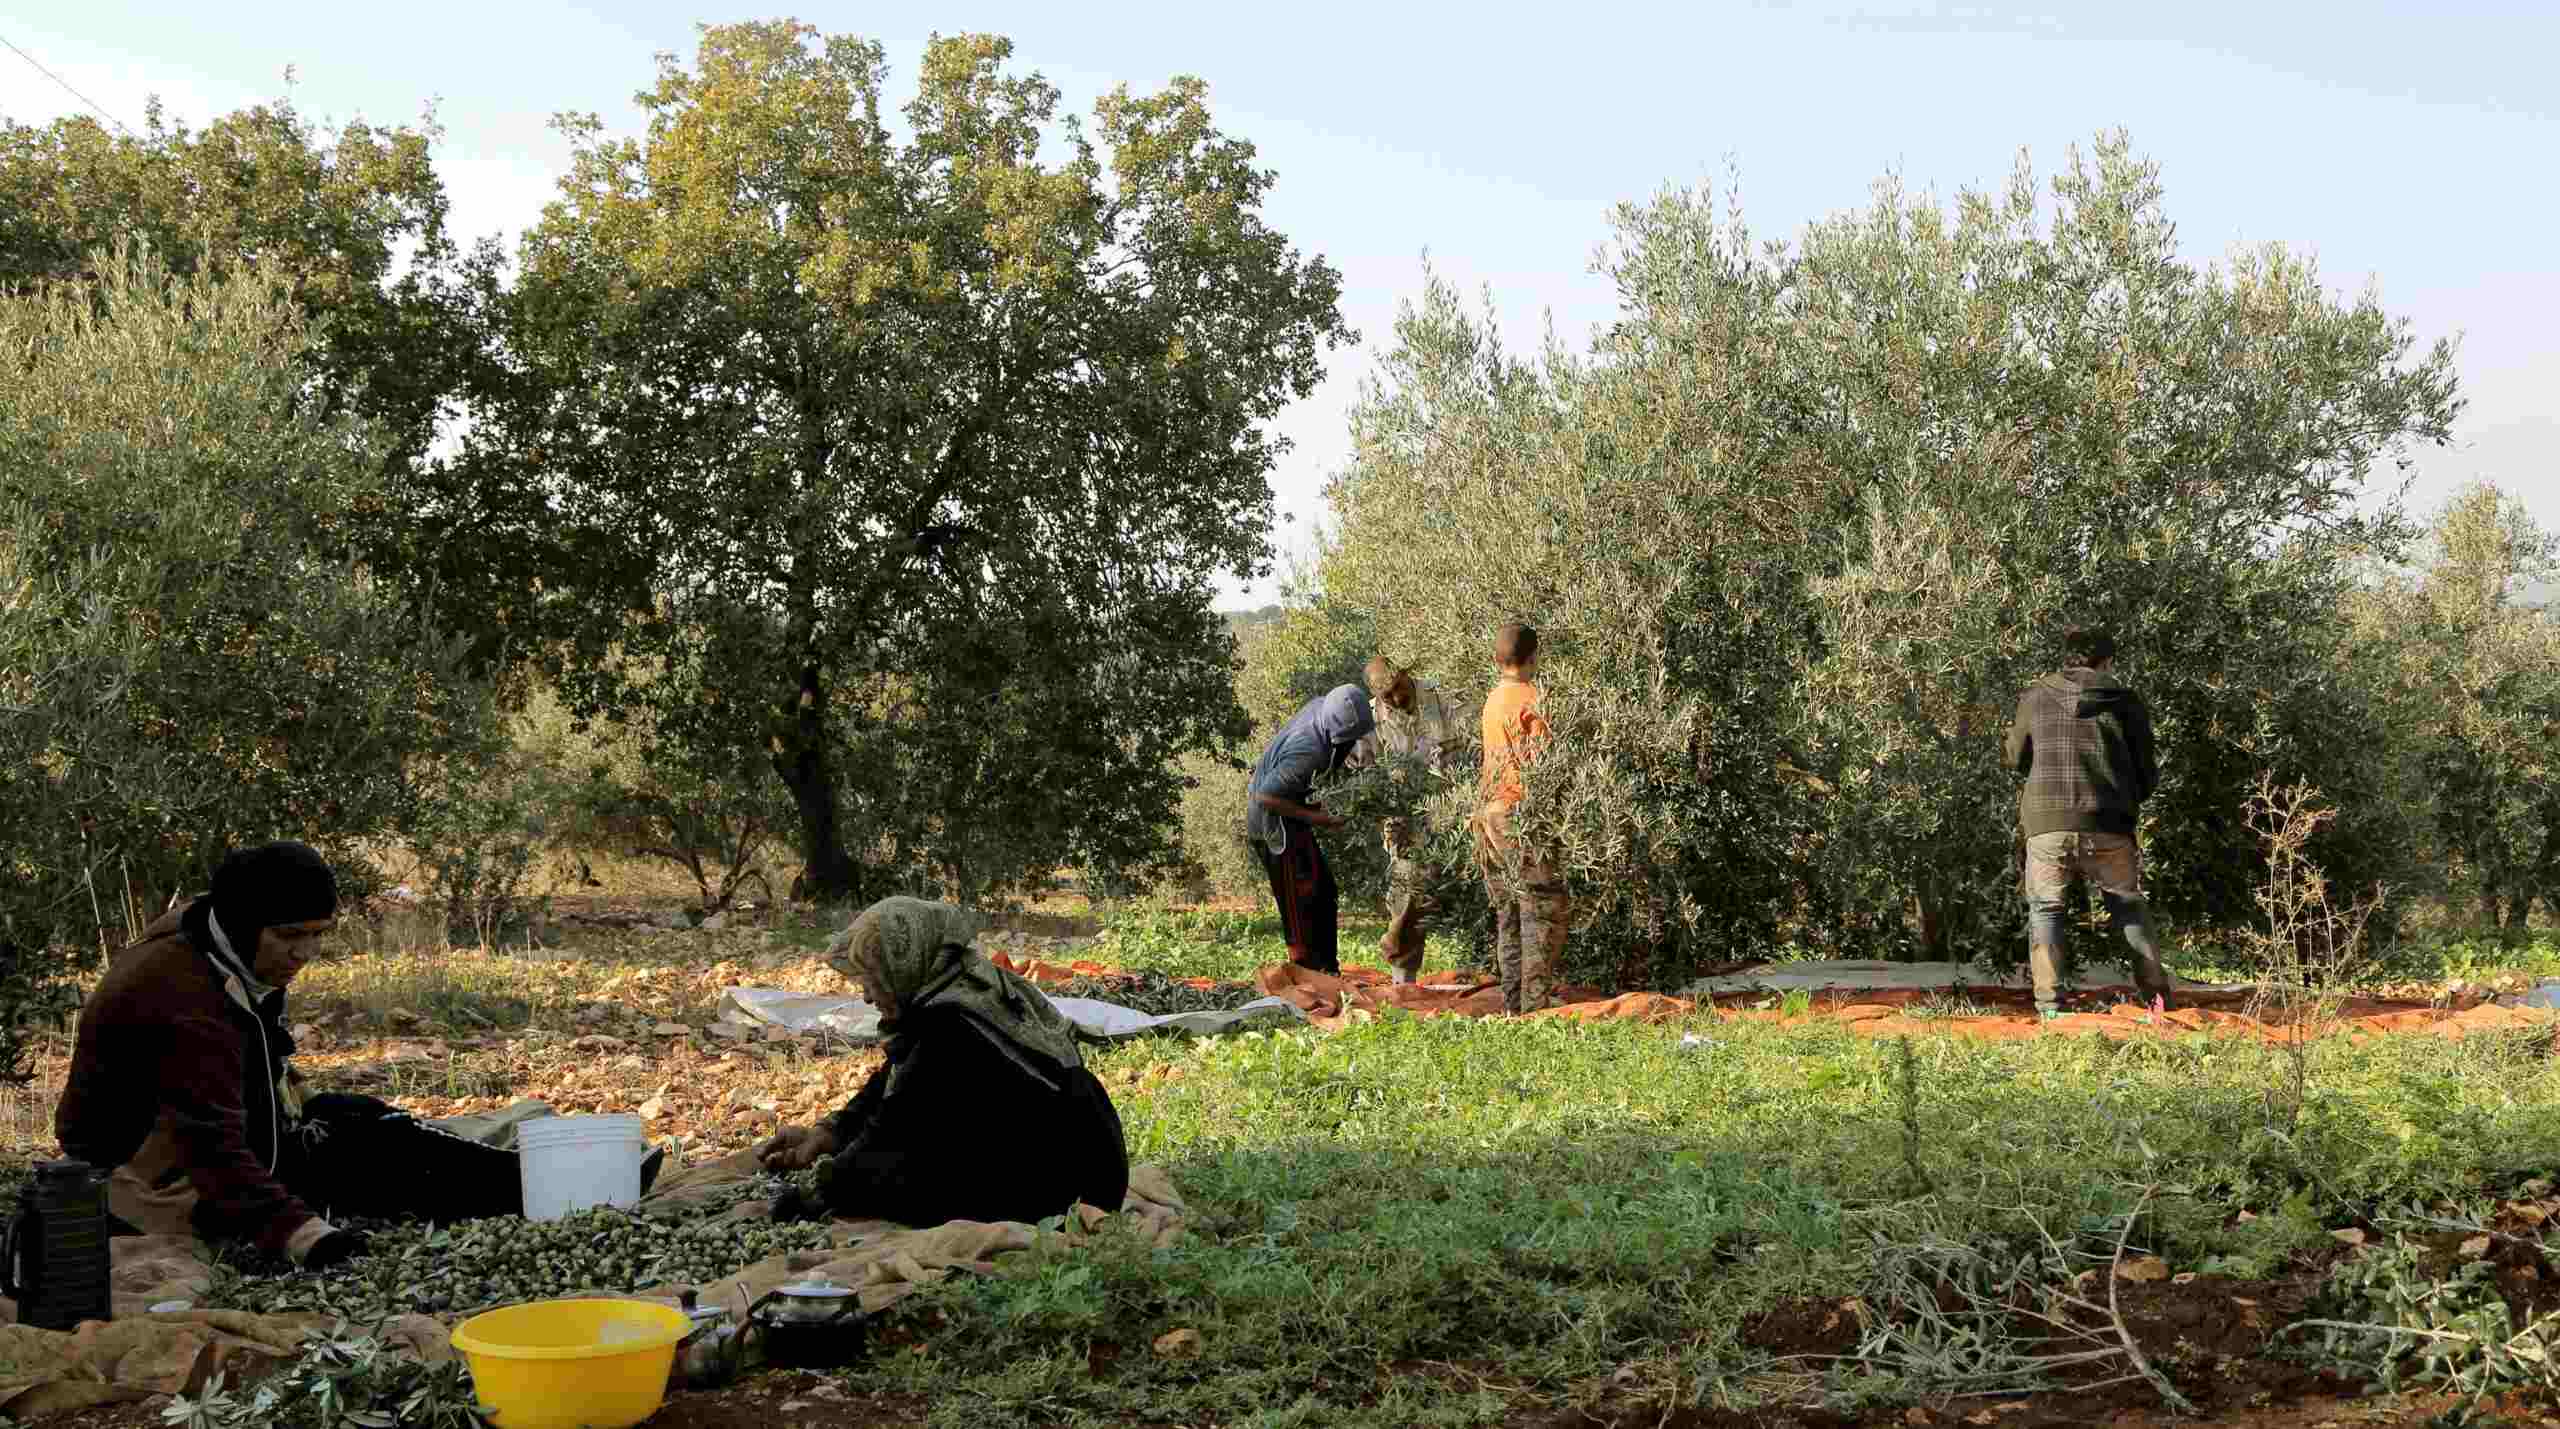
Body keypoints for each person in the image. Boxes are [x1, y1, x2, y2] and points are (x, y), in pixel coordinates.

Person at [52, 843, 641, 1269]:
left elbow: (264, 1051)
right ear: (249, 924)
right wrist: (305, 1235)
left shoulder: (227, 945)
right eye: (291, 937)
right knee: (384, 1156)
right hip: (148, 1173)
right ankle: (562, 1194)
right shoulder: (182, 996)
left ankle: (560, 1187)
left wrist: (308, 1102)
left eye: (318, 935)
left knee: (368, 1125)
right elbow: (210, 1147)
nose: (304, 954)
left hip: (221, 1137)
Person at [759, 898, 1128, 1227]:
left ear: (904, 965)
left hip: (1069, 1188)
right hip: (1081, 1161)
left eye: (873, 981)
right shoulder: (963, 985)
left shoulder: (952, 1027)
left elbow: (894, 1127)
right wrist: (830, 1133)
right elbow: (894, 1084)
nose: (868, 997)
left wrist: (818, 1195)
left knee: (896, 1182)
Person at [2003, 627, 2173, 1019]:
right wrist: (2123, 802)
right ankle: (2156, 1001)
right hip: (2110, 822)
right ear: (2107, 662)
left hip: (2047, 822)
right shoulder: (2126, 701)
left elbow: (2014, 758)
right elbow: (2148, 771)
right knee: (2127, 905)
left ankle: (2049, 1007)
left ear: (2068, 658)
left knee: (2046, 910)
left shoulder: (2035, 696)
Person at [1242, 684, 1377, 976]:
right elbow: (1265, 796)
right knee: (1299, 899)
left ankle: (1327, 969)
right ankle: (1306, 973)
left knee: (1323, 889)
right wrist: (1316, 817)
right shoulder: (1309, 749)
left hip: (1289, 812)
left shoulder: (1324, 708)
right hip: (1272, 825)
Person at [1472, 624, 1571, 1014]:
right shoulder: (1534, 700)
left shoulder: (1492, 701)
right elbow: (1546, 764)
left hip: (1488, 815)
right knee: (1542, 910)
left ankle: (1513, 1002)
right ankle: (1534, 1008)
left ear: (1498, 660)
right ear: (1533, 658)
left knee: (1508, 913)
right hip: (1521, 816)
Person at [1352, 657, 1461, 984]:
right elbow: (1364, 779)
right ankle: (1403, 978)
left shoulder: (1444, 699)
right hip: (1408, 825)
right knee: (1407, 888)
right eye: (1388, 696)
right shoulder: (1369, 720)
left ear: (1406, 674)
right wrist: (1384, 814)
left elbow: (1477, 747)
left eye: (1400, 688)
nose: (1398, 698)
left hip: (1457, 813)